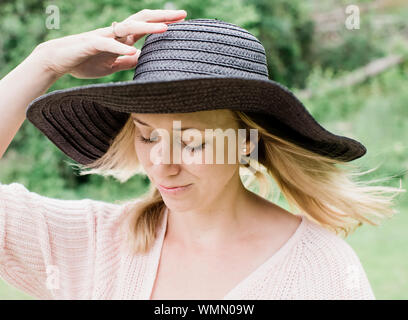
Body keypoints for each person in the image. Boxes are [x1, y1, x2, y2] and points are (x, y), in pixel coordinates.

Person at [0, 9, 404, 300]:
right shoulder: (91, 243)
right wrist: (43, 63)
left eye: (191, 141)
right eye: (147, 136)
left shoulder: (323, 271)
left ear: (246, 140)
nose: (162, 162)